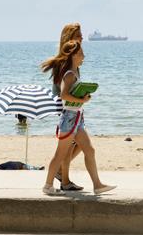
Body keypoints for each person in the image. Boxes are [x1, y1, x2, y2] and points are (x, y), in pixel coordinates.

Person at [41, 40, 115, 196]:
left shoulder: (74, 73)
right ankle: (48, 186)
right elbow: (63, 95)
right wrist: (83, 100)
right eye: (81, 54)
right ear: (73, 55)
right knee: (60, 154)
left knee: (89, 149)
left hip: (77, 118)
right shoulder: (69, 74)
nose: (83, 56)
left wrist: (82, 96)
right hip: (69, 118)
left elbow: (70, 94)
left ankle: (97, 185)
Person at [51, 23, 85, 191]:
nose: (82, 37)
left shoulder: (74, 58)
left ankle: (61, 173)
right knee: (71, 144)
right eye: (79, 35)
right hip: (66, 107)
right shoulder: (65, 60)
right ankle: (64, 180)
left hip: (74, 105)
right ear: (70, 37)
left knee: (78, 144)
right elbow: (61, 88)